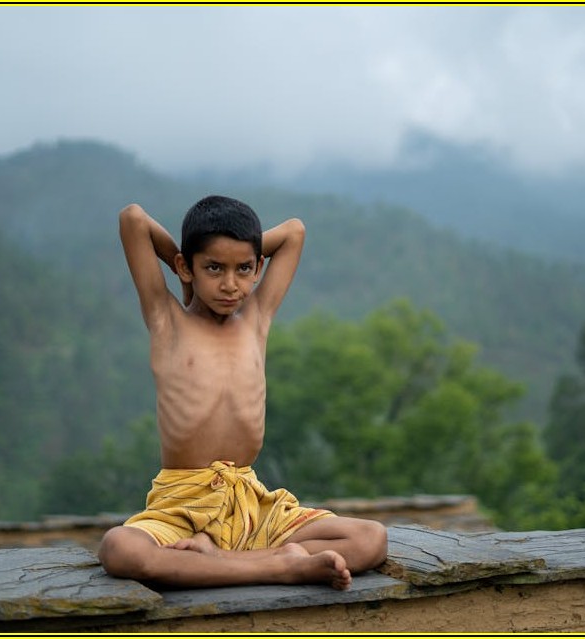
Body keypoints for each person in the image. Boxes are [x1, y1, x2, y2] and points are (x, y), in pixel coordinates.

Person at [98, 196, 388, 590]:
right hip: (183, 504)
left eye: (243, 269)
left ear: (258, 270)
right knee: (120, 549)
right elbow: (132, 219)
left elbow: (293, 232)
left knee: (371, 539)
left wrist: (233, 252)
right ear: (187, 266)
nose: (230, 284)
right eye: (213, 268)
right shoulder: (167, 322)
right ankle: (279, 567)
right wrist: (183, 271)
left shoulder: (255, 320)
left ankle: (221, 560)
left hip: (253, 505)